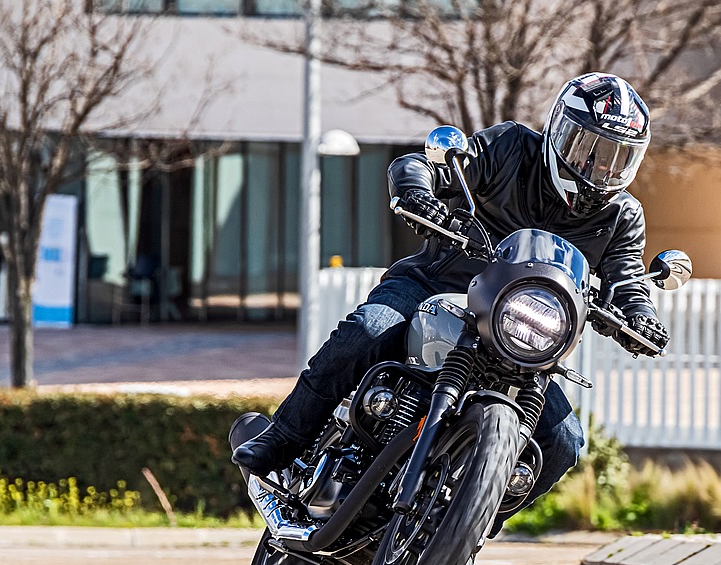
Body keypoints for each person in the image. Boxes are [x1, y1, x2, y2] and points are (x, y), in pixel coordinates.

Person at [234, 72, 669, 519]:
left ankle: (466, 527)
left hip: (518, 332)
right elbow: (423, 166)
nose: (600, 167)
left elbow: (627, 280)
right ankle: (282, 440)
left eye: (617, 158)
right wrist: (418, 193)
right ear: (560, 132)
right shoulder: (511, 148)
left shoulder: (622, 216)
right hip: (436, 287)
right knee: (369, 330)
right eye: (590, 149)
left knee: (563, 441)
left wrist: (640, 317)